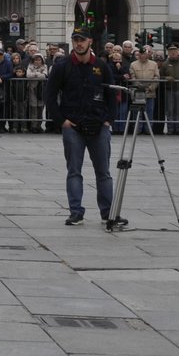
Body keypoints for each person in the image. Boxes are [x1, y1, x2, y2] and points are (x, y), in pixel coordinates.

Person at [45, 26, 122, 228]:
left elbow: (112, 95)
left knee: (103, 172)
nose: (79, 43)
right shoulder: (62, 66)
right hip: (73, 127)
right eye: (75, 39)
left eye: (82, 39)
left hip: (99, 126)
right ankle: (76, 212)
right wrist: (62, 121)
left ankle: (108, 213)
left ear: (90, 42)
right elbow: (50, 96)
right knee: (74, 171)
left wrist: (109, 120)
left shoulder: (101, 66)